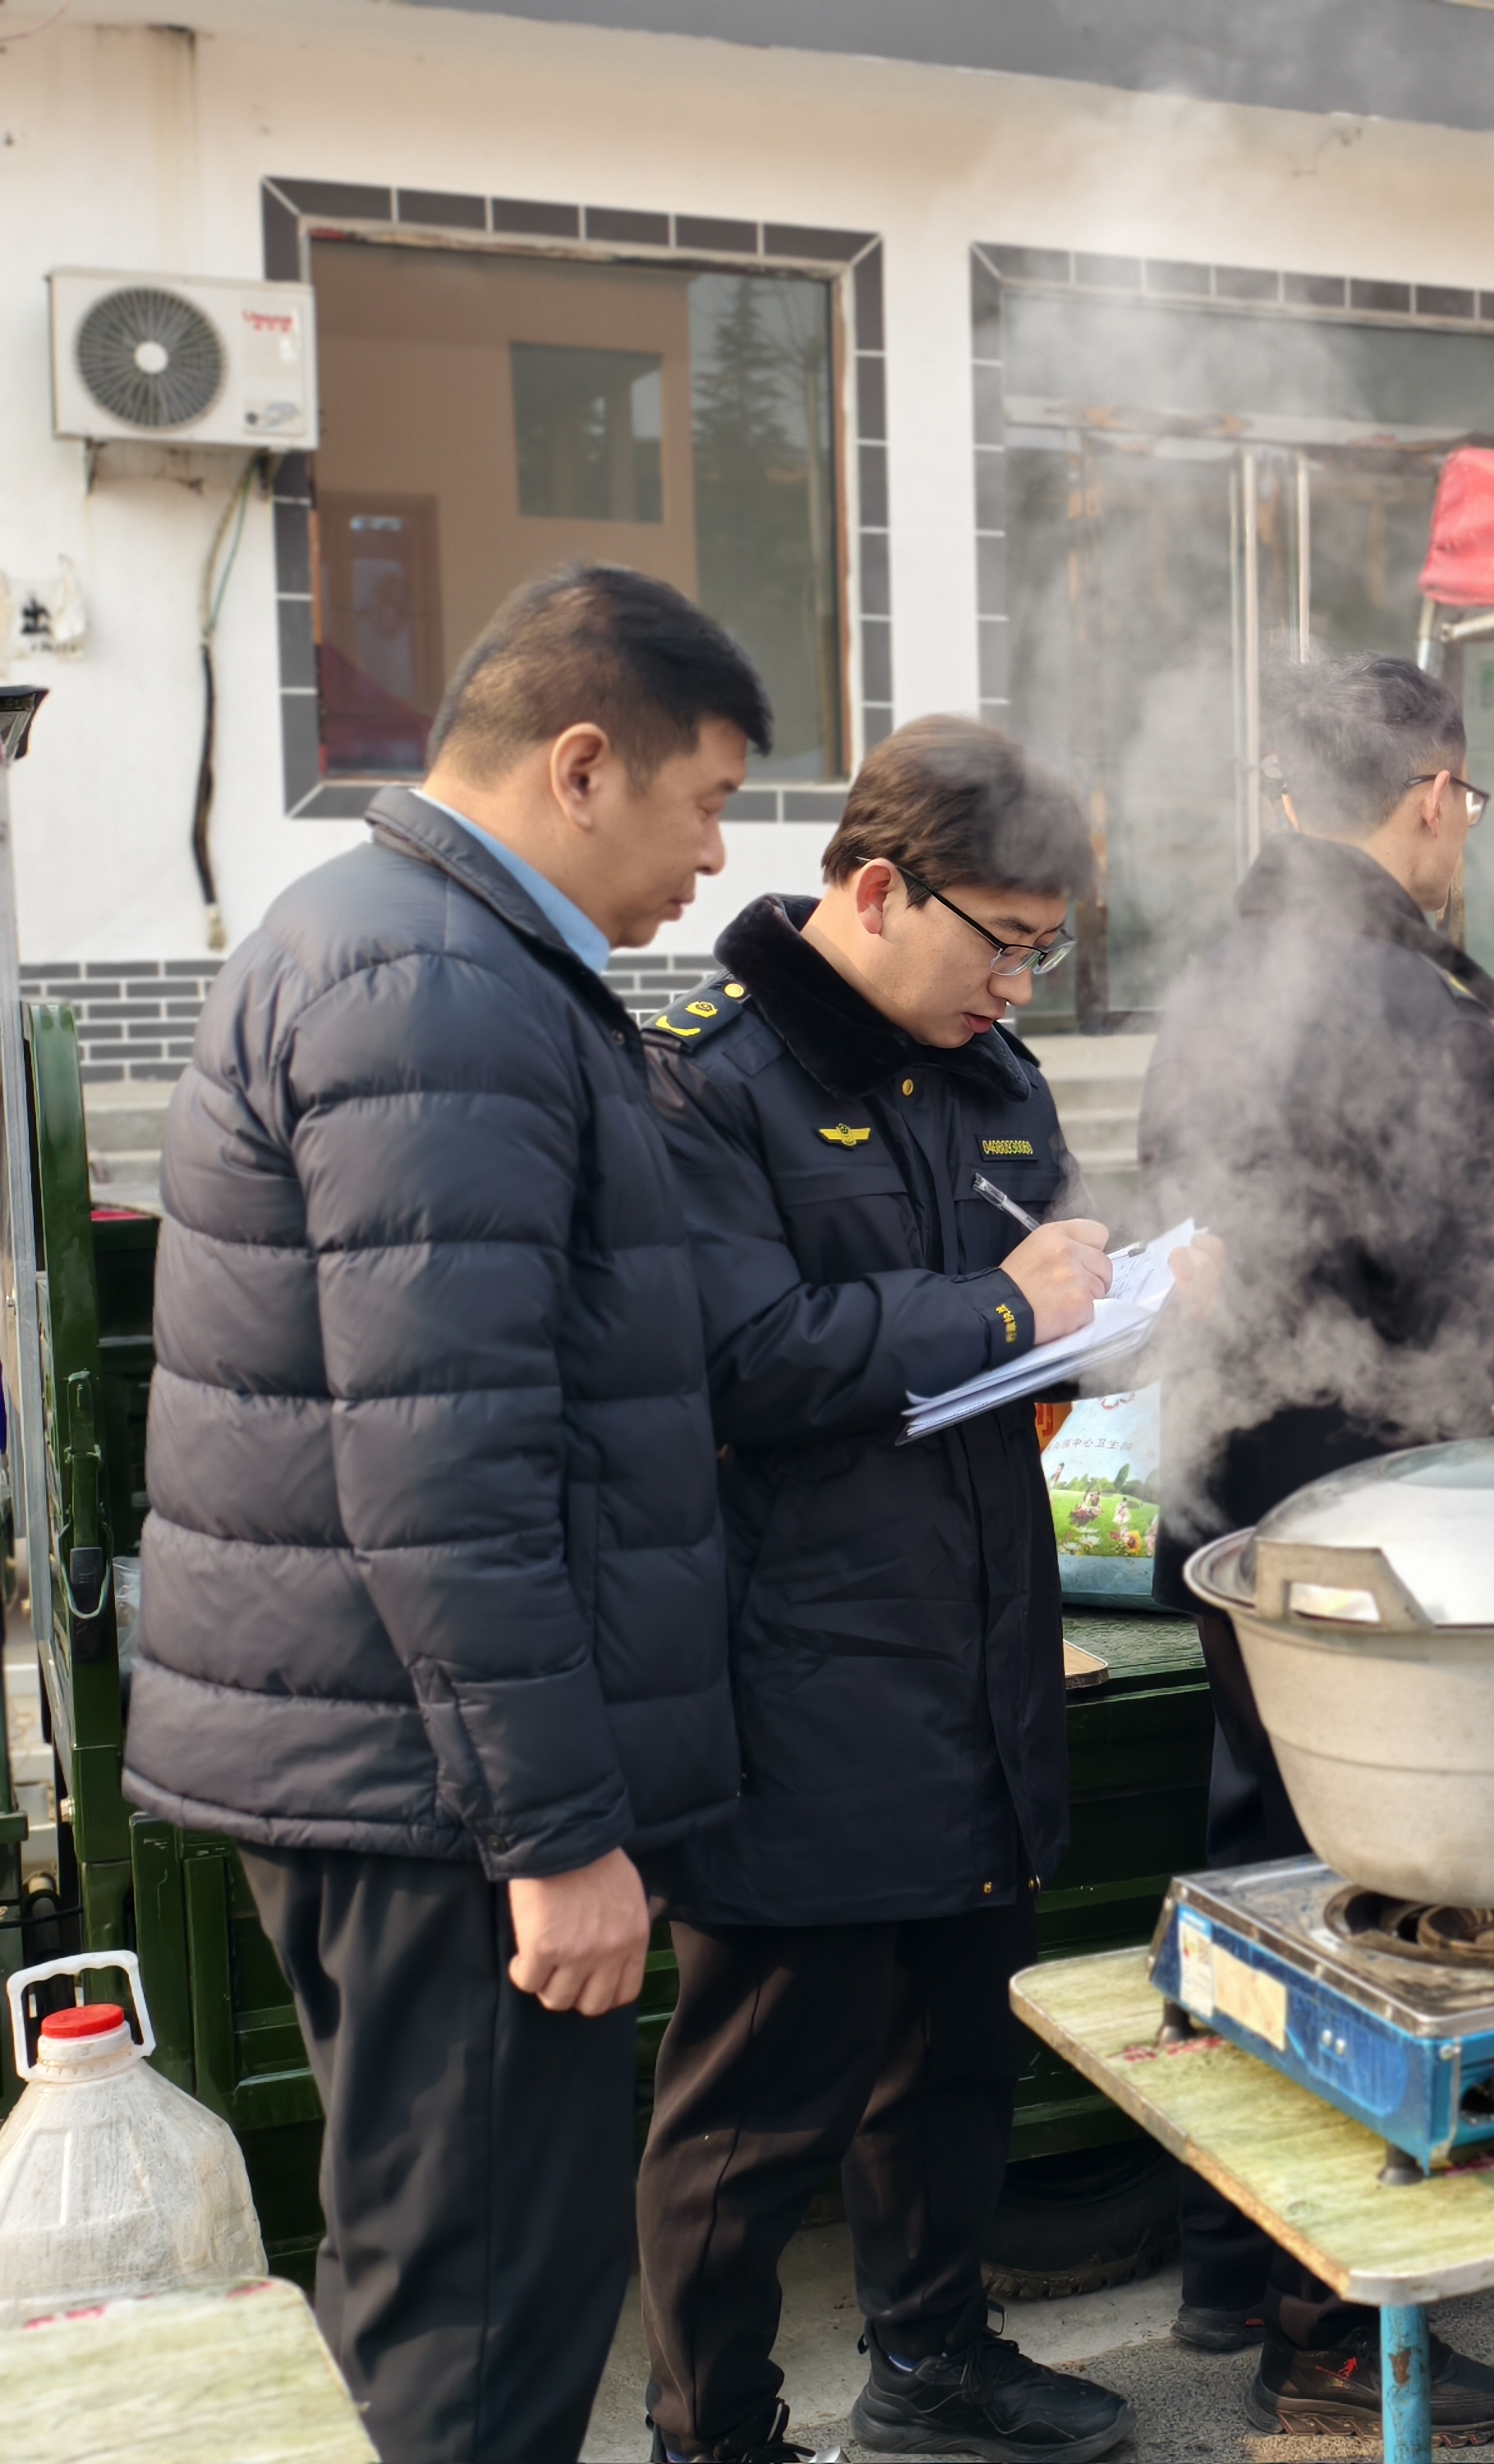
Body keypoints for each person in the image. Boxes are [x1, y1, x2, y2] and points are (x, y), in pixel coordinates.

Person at [123, 566, 760, 2464]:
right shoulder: (439, 987)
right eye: (706, 801)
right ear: (583, 763)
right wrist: (554, 1836)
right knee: (479, 2321)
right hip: (441, 1802)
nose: (715, 858)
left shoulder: (419, 949)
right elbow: (446, 1464)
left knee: (445, 2282)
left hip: (404, 1767)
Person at [634, 718, 1132, 2462]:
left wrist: (1123, 1309)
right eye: (1004, 943)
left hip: (980, 1646)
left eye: (1045, 953)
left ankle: (932, 2366)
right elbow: (738, 1360)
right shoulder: (708, 1081)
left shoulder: (992, 1070)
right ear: (874, 890)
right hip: (797, 1673)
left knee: (954, 2057)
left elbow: (1039, 1303)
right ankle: (712, 2430)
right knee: (756, 2107)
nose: (1019, 987)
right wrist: (1005, 1309)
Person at [1138, 654, 1494, 2444]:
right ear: (1431, 797)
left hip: (1229, 1498)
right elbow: (1475, 1280)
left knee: (1251, 1860)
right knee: (1360, 1899)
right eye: (1464, 804)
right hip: (1373, 1520)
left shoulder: (1213, 974)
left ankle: (1226, 2260)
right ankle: (1326, 2329)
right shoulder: (1405, 1000)